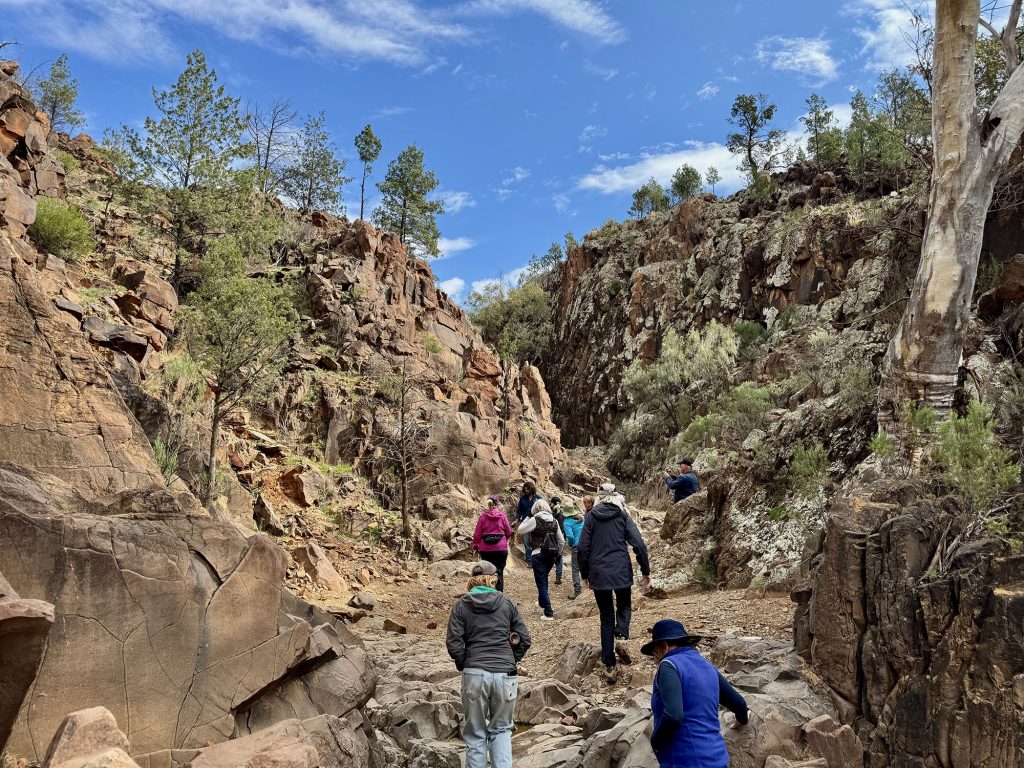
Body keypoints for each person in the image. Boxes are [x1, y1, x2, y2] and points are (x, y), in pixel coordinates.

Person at [446, 560, 532, 768]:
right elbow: (525, 638)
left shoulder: (460, 606)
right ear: (493, 579)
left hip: (474, 674)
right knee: (501, 730)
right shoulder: (507, 603)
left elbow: (453, 643)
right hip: (505, 674)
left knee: (475, 733)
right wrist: (511, 660)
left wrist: (466, 664)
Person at [642, 619, 749, 768]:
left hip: (685, 761)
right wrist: (741, 720)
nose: (655, 660)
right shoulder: (707, 666)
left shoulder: (668, 665)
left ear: (664, 647)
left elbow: (673, 715)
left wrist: (656, 742)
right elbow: (739, 704)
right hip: (718, 759)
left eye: (655, 653)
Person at [578, 482, 651, 681]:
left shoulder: (591, 516)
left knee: (606, 616)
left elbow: (583, 548)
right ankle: (622, 632)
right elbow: (639, 544)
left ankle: (609, 662)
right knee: (625, 605)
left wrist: (584, 573)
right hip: (620, 570)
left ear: (599, 497)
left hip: (599, 572)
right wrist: (646, 571)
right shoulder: (622, 515)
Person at [516, 498, 564, 621]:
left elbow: (520, 530)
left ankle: (548, 612)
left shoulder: (535, 519)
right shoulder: (554, 520)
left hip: (538, 553)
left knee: (541, 582)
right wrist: (558, 553)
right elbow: (561, 541)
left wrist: (527, 517)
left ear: (535, 509)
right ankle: (542, 602)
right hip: (551, 555)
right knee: (544, 578)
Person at [472, 495, 514, 592]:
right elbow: (508, 531)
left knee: (487, 573)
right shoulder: (502, 516)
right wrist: (504, 541)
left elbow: (477, 535)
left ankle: (488, 595)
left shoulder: (482, 517)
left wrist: (475, 546)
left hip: (486, 550)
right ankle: (499, 597)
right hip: (501, 549)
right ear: (497, 504)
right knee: (499, 572)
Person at [514, 481, 542, 565]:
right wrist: (517, 519)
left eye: (528, 489)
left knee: (535, 542)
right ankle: (529, 560)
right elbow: (519, 510)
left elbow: (542, 509)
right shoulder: (523, 499)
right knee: (526, 542)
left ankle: (536, 560)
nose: (526, 491)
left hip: (535, 523)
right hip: (525, 522)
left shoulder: (538, 498)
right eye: (525, 489)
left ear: (532, 489)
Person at [563, 506, 585, 599]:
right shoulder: (581, 519)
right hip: (586, 545)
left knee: (575, 570)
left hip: (576, 547)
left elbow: (570, 536)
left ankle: (577, 592)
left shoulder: (567, 522)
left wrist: (571, 545)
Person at [550, 496, 566, 585]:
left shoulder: (551, 514)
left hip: (552, 536)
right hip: (561, 536)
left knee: (549, 555)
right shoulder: (563, 514)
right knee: (559, 556)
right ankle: (558, 576)